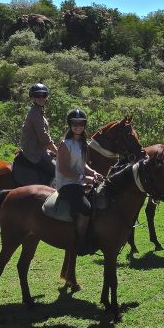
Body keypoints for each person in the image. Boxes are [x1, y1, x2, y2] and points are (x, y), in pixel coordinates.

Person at [54, 109, 102, 255]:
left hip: (78, 182)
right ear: (70, 125)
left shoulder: (82, 143)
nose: (77, 126)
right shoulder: (65, 144)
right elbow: (63, 169)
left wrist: (93, 172)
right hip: (66, 184)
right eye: (74, 124)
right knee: (86, 208)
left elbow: (82, 165)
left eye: (80, 124)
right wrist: (83, 178)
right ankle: (80, 242)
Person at [19, 83, 58, 183]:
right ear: (32, 98)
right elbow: (43, 136)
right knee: (59, 171)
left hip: (39, 149)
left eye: (43, 95)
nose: (41, 98)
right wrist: (58, 152)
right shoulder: (35, 112)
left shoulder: (38, 111)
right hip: (35, 153)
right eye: (37, 96)